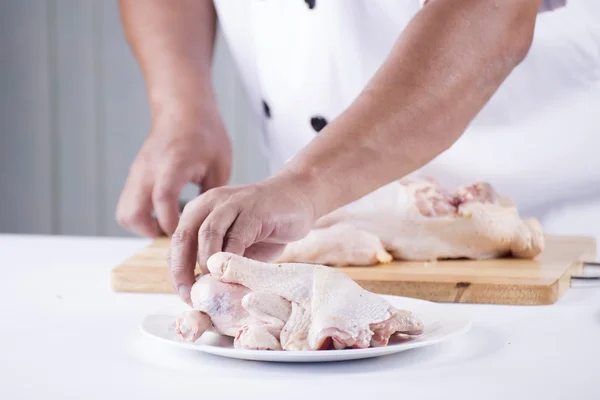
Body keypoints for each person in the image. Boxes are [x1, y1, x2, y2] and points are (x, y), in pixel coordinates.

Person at [116, 0, 600, 304]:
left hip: (561, 237)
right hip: (301, 232)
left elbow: (490, 13)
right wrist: (182, 107)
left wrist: (305, 184)